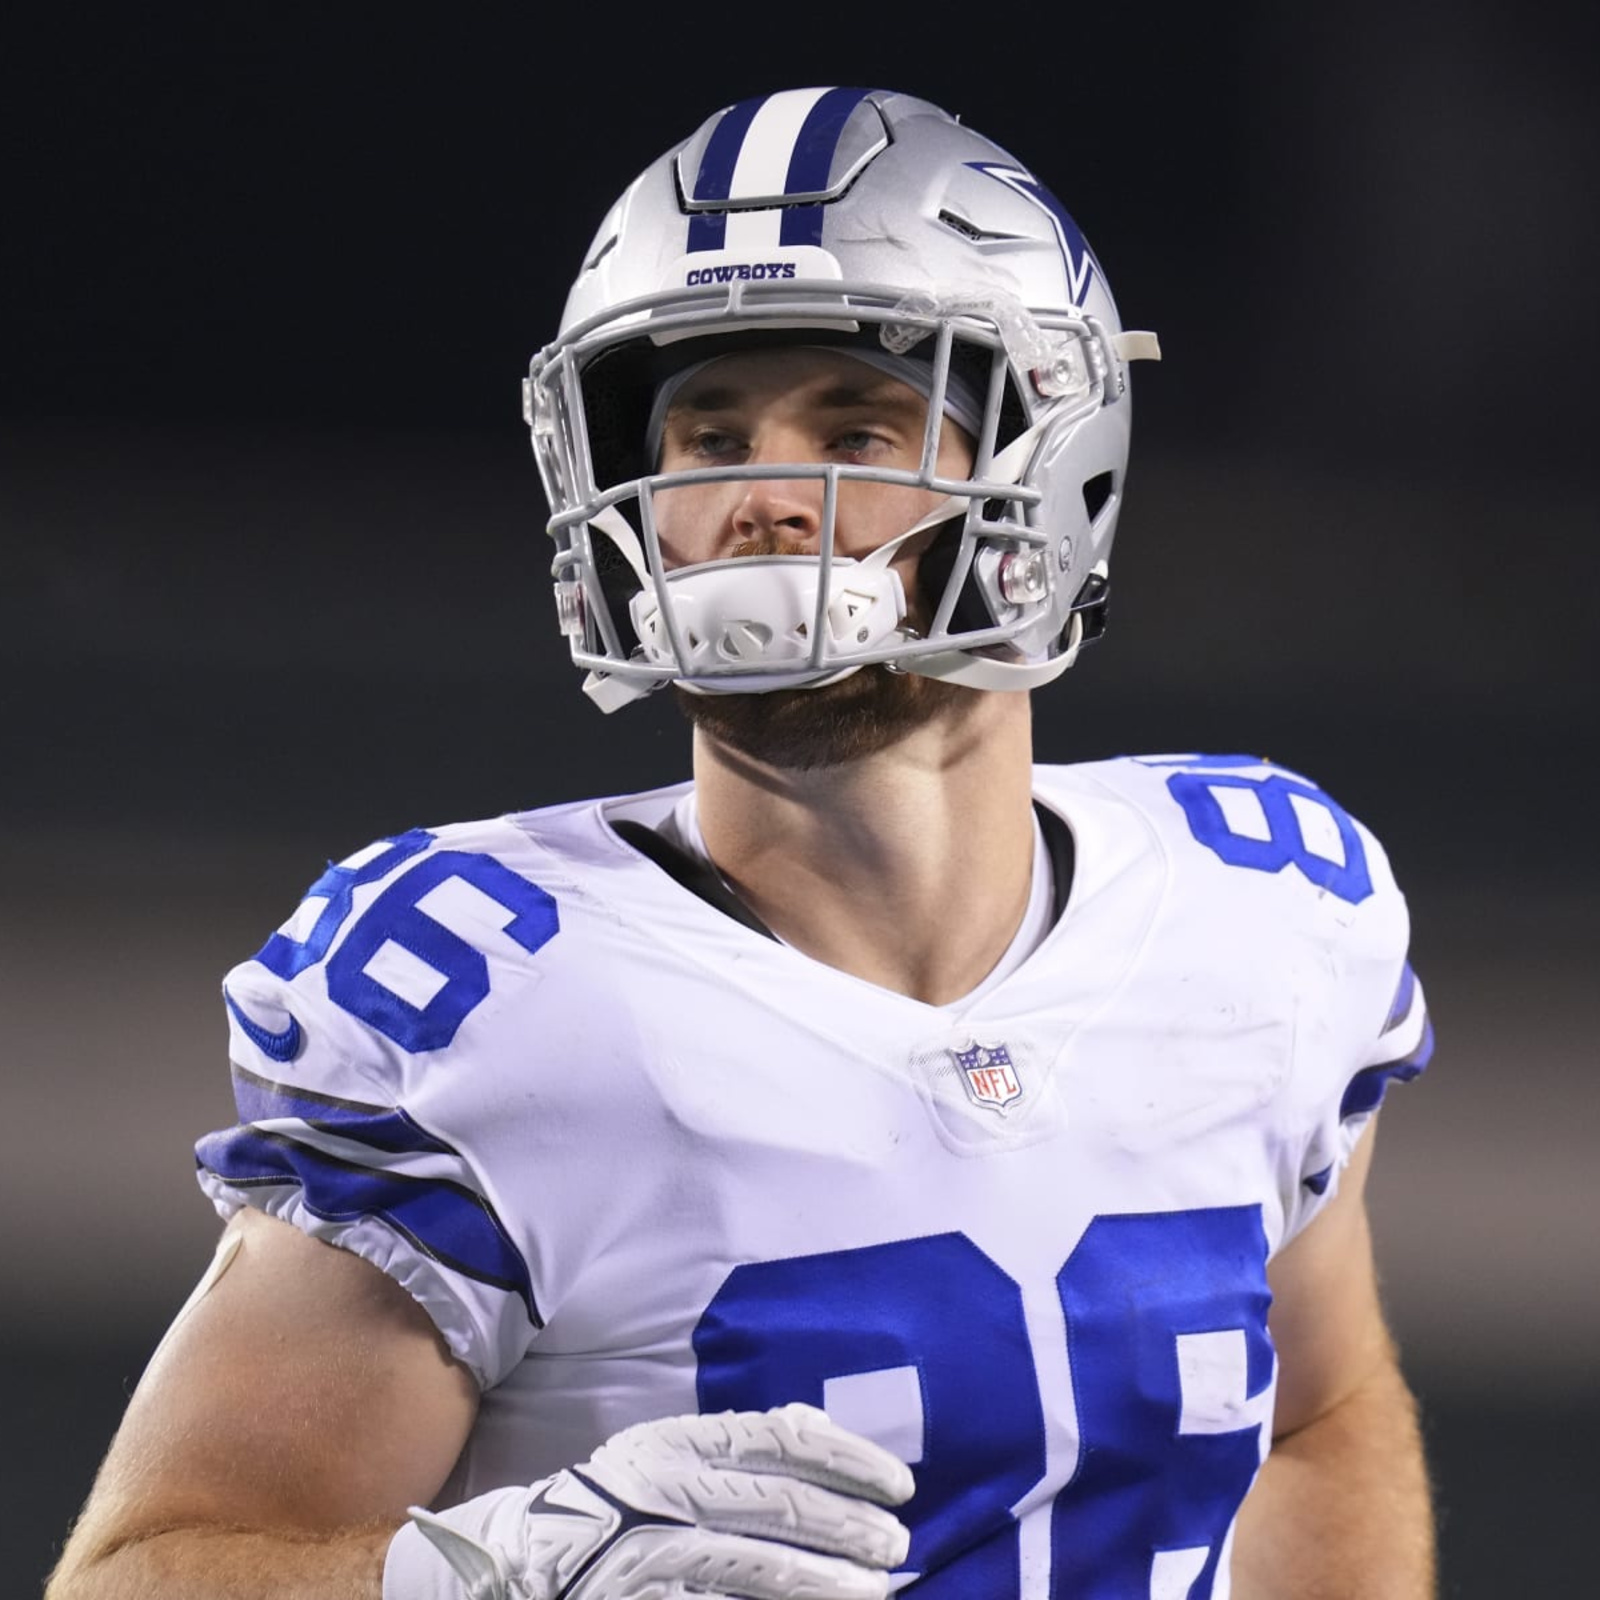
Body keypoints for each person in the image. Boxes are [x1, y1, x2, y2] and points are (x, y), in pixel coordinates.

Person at [47, 86, 1437, 1600]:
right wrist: (476, 1584)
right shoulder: (498, 994)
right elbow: (144, 1571)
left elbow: (1318, 1423)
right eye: (710, 433)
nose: (763, 497)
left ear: (1047, 464)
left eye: (859, 425)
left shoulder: (1259, 906)